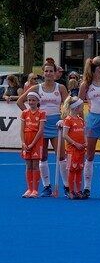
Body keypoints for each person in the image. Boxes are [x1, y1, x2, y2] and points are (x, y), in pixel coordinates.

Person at [16, 58, 69, 197]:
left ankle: (66, 185)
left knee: (62, 155)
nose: (49, 73)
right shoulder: (36, 88)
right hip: (42, 125)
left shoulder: (61, 87)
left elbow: (67, 105)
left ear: (55, 72)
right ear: (43, 73)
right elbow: (20, 101)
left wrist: (63, 119)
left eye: (51, 71)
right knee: (42, 156)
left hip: (56, 124)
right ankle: (46, 187)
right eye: (46, 71)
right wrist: (31, 115)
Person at [79, 56, 100, 198]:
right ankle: (87, 187)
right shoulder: (86, 84)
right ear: (98, 68)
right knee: (90, 155)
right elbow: (79, 104)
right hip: (93, 120)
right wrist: (81, 120)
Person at [19, 91, 46, 197]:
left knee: (35, 165)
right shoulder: (24, 113)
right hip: (26, 141)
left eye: (33, 100)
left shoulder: (41, 113)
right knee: (28, 165)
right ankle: (29, 189)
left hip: (36, 142)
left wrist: (33, 143)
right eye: (29, 100)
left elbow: (40, 130)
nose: (31, 102)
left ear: (38, 101)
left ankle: (35, 190)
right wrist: (23, 143)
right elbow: (22, 130)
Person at [62, 96, 86, 199]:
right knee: (72, 169)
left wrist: (85, 143)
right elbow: (65, 135)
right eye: (81, 106)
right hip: (72, 149)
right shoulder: (68, 120)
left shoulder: (80, 120)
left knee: (79, 169)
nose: (82, 108)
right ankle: (71, 191)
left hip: (81, 149)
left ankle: (78, 190)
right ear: (76, 108)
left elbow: (83, 133)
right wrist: (75, 143)